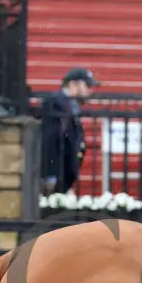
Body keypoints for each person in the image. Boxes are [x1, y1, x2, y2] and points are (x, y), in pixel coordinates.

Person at [40, 67, 98, 195]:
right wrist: (51, 175)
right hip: (55, 177)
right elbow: (49, 140)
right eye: (87, 85)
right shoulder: (56, 105)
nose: (90, 90)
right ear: (73, 84)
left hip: (63, 177)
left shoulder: (69, 106)